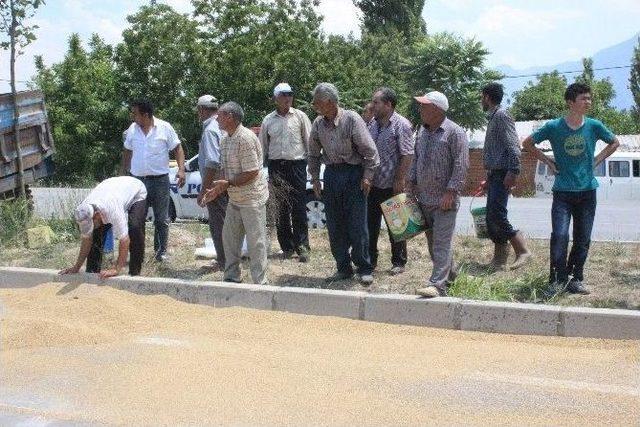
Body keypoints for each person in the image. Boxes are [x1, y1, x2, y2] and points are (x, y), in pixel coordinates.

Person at [523, 83, 620, 296]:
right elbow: (527, 143)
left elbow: (614, 142)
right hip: (563, 192)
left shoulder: (594, 126)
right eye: (583, 98)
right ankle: (557, 280)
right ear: (570, 102)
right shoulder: (554, 127)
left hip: (587, 191)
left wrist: (597, 159)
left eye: (589, 98)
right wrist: (548, 161)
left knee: (582, 238)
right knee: (559, 235)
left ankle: (575, 279)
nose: (588, 102)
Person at [308, 83, 380, 285]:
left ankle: (364, 267)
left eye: (317, 102)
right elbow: (312, 154)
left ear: (329, 102)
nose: (315, 106)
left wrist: (367, 176)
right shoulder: (318, 124)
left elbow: (370, 152)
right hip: (331, 175)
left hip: (353, 174)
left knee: (357, 225)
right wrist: (314, 178)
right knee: (335, 224)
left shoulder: (351, 119)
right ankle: (343, 267)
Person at [410, 91, 469, 298]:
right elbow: (416, 159)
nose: (421, 110)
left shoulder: (454, 132)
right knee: (433, 243)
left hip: (445, 200)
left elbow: (461, 165)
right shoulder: (422, 132)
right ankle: (451, 277)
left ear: (436, 109)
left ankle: (437, 285)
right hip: (424, 199)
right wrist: (411, 182)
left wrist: (451, 192)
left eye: (424, 106)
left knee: (441, 243)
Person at [203, 101, 270, 285]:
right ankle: (232, 277)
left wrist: (228, 183)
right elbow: (225, 171)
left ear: (230, 117)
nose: (216, 118)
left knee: (256, 242)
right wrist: (215, 190)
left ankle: (260, 282)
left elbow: (252, 172)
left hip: (252, 199)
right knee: (230, 239)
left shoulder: (246, 138)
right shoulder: (225, 138)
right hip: (235, 198)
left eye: (221, 115)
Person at [122, 99, 186, 262]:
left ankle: (161, 253)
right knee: (136, 219)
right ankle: (138, 253)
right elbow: (127, 152)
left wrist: (181, 170)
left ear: (146, 115)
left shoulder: (165, 127)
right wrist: (123, 174)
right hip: (137, 182)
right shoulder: (132, 129)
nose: (132, 116)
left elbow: (177, 148)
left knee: (161, 218)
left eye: (135, 113)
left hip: (160, 181)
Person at [480, 82, 531, 271]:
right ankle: (499, 260)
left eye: (481, 97)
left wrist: (513, 172)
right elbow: (497, 151)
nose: (480, 101)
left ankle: (523, 250)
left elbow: (513, 147)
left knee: (497, 215)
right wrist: (488, 176)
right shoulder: (493, 116)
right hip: (495, 174)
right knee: (491, 217)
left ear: (486, 97)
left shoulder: (501, 116)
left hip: (504, 174)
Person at [258, 83, 312, 262]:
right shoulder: (268, 120)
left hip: (296, 165)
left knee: (298, 208)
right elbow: (262, 148)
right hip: (276, 167)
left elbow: (309, 143)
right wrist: (260, 170)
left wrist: (311, 167)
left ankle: (302, 247)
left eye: (290, 94)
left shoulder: (300, 116)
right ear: (276, 98)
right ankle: (287, 247)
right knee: (280, 209)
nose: (288, 98)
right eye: (284, 95)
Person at [59, 176, 147, 279]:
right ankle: (92, 273)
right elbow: (87, 239)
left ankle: (134, 274)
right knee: (96, 233)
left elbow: (124, 240)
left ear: (96, 214)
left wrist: (116, 269)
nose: (89, 226)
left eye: (92, 222)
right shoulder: (84, 211)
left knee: (135, 229)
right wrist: (77, 267)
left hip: (136, 190)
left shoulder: (113, 209)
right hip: (110, 187)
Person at [366, 87, 414, 275]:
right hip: (373, 184)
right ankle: (370, 261)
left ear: (388, 104)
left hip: (392, 184)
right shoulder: (372, 124)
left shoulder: (401, 125)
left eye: (376, 102)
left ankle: (399, 262)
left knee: (398, 225)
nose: (373, 105)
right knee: (370, 225)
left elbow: (408, 154)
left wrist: (400, 179)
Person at [195, 94, 227, 271]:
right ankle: (227, 258)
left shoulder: (209, 130)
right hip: (227, 182)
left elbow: (212, 162)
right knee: (226, 223)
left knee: (218, 224)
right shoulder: (222, 125)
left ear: (202, 110)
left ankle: (224, 262)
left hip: (215, 186)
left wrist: (205, 190)